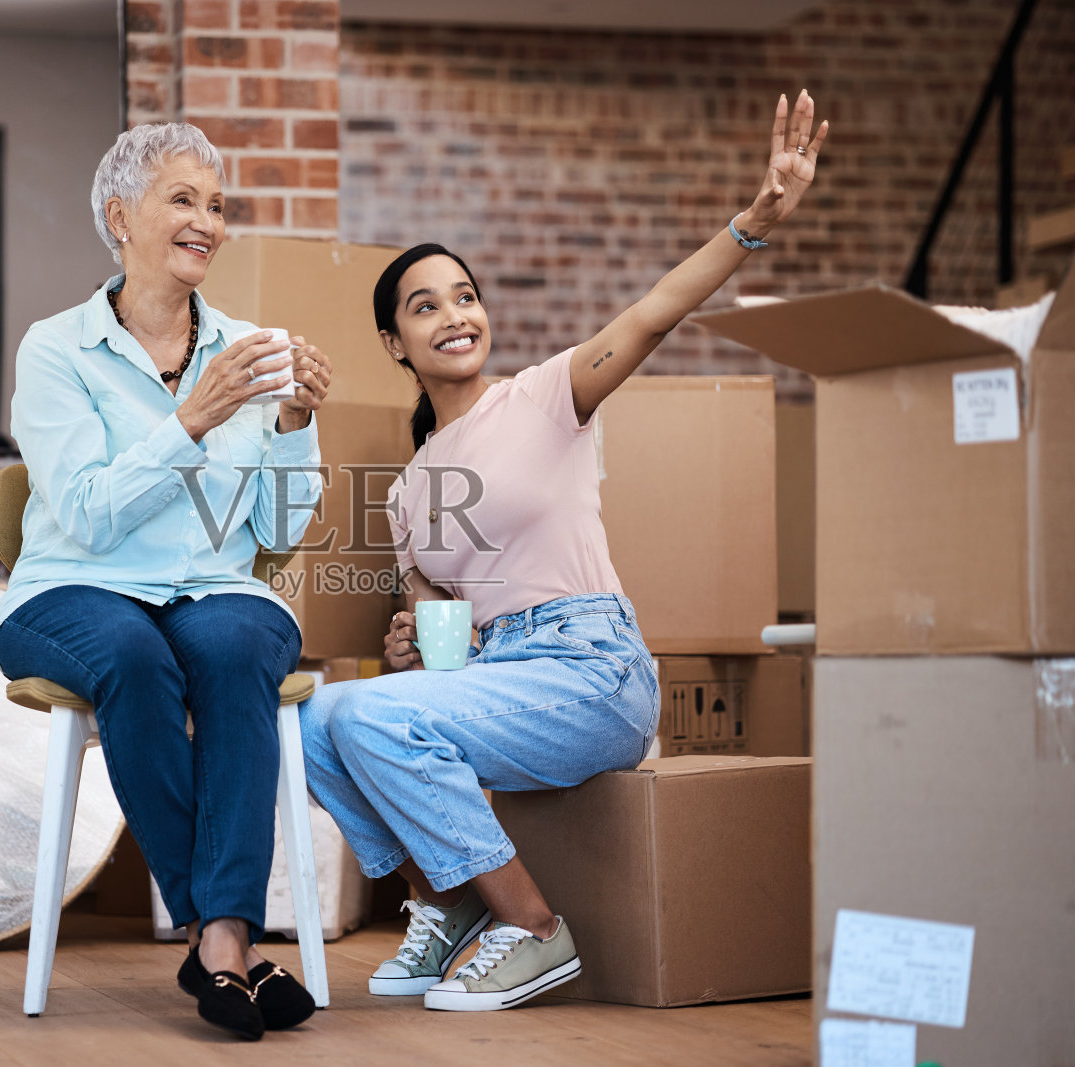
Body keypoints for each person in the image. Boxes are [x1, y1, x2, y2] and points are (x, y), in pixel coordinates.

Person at [300, 90, 828, 1012]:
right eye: (425, 307)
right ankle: (446, 906)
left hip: (592, 668)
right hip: (501, 673)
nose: (454, 315)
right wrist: (412, 650)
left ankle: (534, 928)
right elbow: (442, 638)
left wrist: (753, 222)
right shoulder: (407, 490)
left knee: (369, 717)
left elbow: (652, 313)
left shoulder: (546, 397)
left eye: (465, 297)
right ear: (394, 342)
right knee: (314, 720)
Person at [0, 122, 334, 1040]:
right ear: (120, 218)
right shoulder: (56, 350)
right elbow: (88, 513)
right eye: (183, 199)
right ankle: (221, 932)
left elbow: (277, 534)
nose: (207, 222)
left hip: (208, 589)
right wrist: (192, 420)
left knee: (240, 641)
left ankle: (219, 939)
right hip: (72, 589)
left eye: (216, 205)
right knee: (134, 655)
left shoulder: (251, 349)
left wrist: (294, 424)